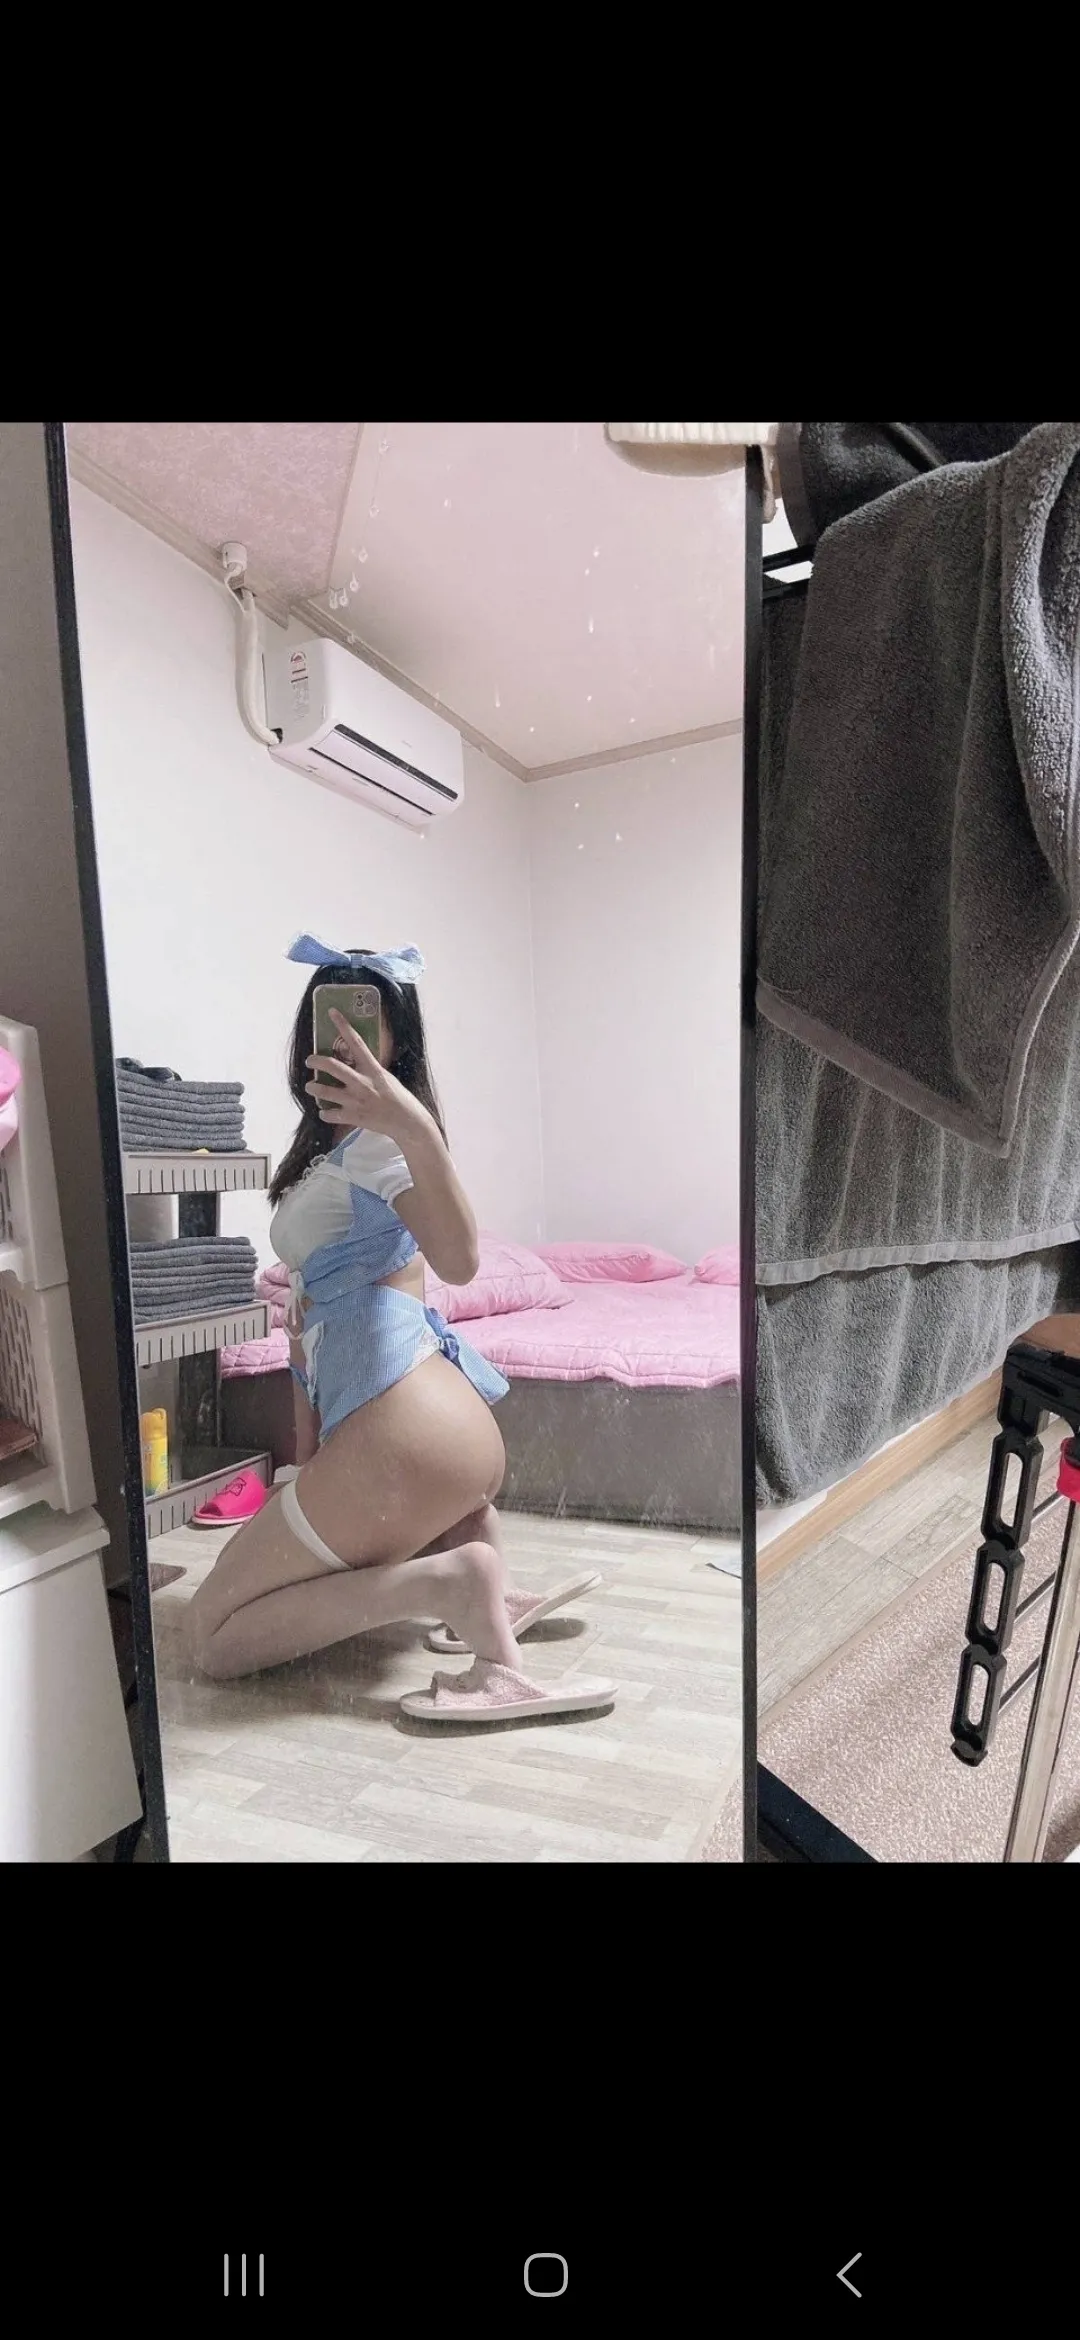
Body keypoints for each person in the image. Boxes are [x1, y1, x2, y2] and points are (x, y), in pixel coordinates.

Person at [188, 936, 616, 1725]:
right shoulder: (337, 1147)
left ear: (398, 1041)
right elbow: (347, 1315)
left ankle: (452, 1584)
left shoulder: (384, 1145)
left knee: (210, 1636)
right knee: (251, 1584)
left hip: (404, 1434)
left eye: (362, 1021)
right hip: (433, 1434)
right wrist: (305, 1463)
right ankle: (486, 1594)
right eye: (325, 1017)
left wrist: (412, 1122)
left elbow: (459, 1260)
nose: (339, 1037)